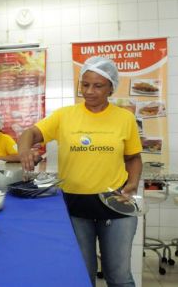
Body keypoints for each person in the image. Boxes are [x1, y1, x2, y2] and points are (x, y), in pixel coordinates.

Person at [18, 56, 142, 287]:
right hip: (75, 206)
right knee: (81, 276)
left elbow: (133, 158)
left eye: (98, 85)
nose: (89, 91)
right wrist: (25, 150)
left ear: (111, 88)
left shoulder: (124, 118)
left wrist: (132, 184)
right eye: (85, 84)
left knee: (119, 277)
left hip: (115, 203)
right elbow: (30, 133)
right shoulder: (65, 115)